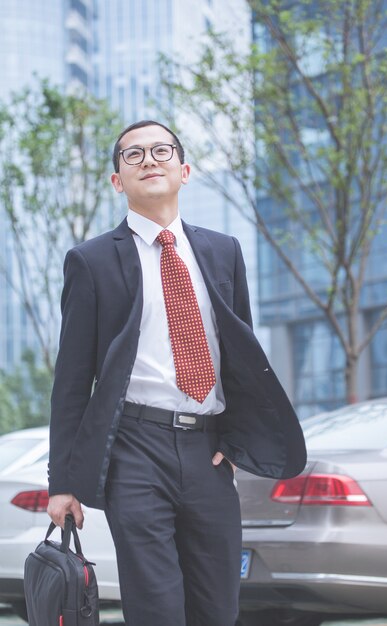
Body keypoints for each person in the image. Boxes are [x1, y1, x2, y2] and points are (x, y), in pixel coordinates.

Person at [47, 120, 306, 626]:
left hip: (207, 454)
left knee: (217, 608)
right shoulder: (91, 261)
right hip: (134, 451)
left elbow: (243, 358)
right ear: (117, 181)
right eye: (133, 155)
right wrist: (63, 482)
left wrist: (233, 442)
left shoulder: (222, 250)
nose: (149, 160)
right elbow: (72, 380)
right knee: (158, 608)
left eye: (161, 150)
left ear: (184, 170)